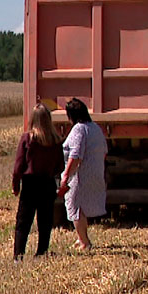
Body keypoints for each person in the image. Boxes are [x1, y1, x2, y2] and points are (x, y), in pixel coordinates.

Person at [12, 103, 64, 259]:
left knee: (23, 221)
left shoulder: (28, 138)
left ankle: (19, 254)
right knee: (45, 220)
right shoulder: (55, 140)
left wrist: (16, 184)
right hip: (47, 182)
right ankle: (41, 251)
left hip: (30, 183)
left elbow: (18, 165)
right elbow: (60, 165)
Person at [59, 97, 107, 250]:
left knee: (75, 205)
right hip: (96, 171)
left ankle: (84, 241)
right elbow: (104, 151)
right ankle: (81, 239)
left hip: (80, 175)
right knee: (82, 207)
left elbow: (76, 154)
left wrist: (66, 175)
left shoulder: (78, 129)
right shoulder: (95, 128)